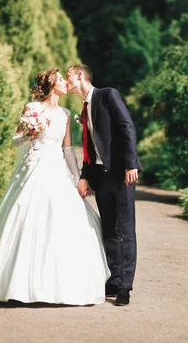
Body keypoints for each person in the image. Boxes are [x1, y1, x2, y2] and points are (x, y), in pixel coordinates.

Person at [0, 68, 110, 305]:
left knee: (62, 223)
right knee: (23, 216)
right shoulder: (32, 109)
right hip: (32, 169)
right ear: (52, 84)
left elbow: (68, 150)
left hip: (56, 171)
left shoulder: (64, 113)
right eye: (61, 79)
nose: (65, 82)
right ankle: (12, 283)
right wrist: (30, 133)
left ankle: (57, 285)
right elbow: (15, 140)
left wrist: (77, 178)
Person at [65, 64, 141, 306]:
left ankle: (125, 287)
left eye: (68, 77)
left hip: (120, 174)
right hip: (101, 175)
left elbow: (126, 128)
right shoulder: (85, 107)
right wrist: (86, 175)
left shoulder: (107, 95)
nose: (66, 82)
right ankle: (115, 279)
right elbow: (90, 146)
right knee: (108, 229)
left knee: (124, 230)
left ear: (79, 75)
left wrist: (131, 164)